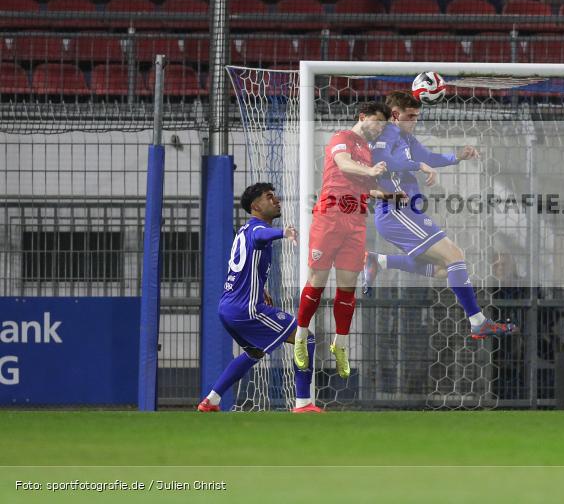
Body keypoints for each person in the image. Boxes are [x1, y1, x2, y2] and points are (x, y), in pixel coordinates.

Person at [362, 90, 518, 339]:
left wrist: (456, 156)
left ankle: (379, 261)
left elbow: (428, 157)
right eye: (410, 116)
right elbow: (382, 161)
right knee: (455, 256)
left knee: (445, 269)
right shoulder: (387, 133)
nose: (415, 121)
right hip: (396, 211)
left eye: (417, 116)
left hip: (406, 212)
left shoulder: (406, 138)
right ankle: (477, 322)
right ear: (394, 115)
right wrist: (418, 166)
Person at [293, 101, 400, 381]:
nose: (380, 128)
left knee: (347, 288)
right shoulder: (341, 138)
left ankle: (340, 345)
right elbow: (343, 164)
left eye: (384, 125)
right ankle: (301, 335)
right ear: (362, 117)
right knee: (316, 279)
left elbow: (367, 187)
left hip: (356, 219)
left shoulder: (366, 151)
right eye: (377, 122)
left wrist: (389, 195)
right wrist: (371, 172)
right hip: (330, 214)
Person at [197, 183, 322, 414]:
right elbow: (262, 235)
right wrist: (283, 232)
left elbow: (243, 265)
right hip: (247, 309)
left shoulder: (242, 231)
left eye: (275, 196)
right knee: (306, 339)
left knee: (254, 352)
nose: (276, 200)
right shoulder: (257, 229)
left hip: (228, 308)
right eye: (269, 197)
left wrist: (261, 288)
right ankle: (303, 403)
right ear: (256, 206)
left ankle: (211, 401)